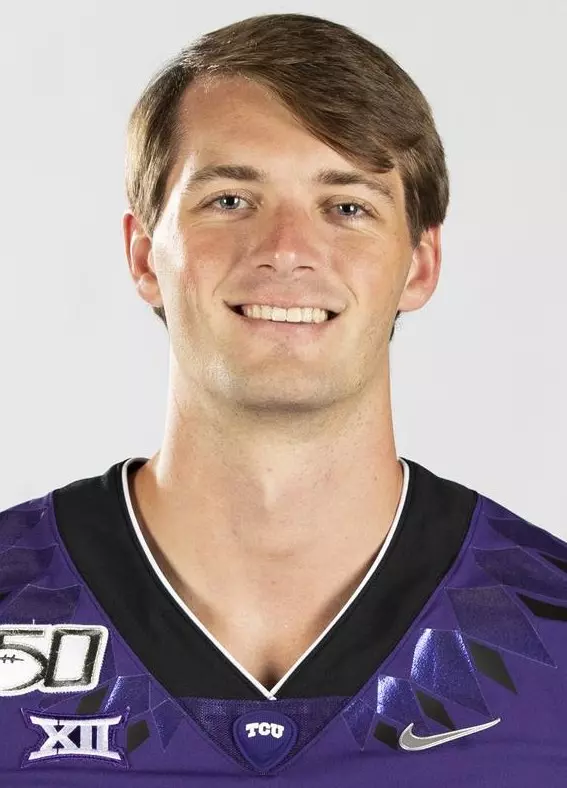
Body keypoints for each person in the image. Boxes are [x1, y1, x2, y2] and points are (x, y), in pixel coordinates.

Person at [0, 12, 565, 787]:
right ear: (142, 254)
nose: (287, 251)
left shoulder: (549, 621)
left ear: (419, 265)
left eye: (347, 207)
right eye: (230, 199)